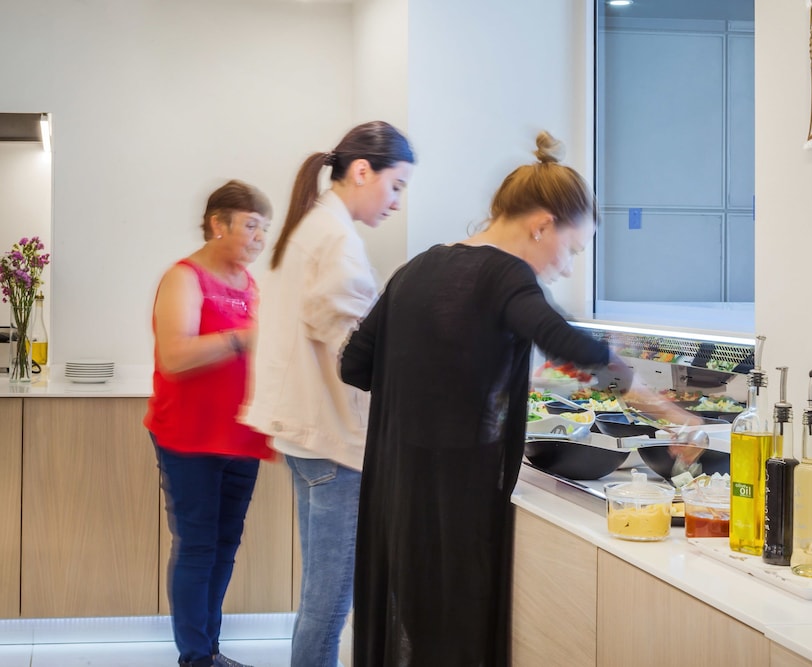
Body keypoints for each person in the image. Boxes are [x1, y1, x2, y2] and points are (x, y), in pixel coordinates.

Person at [340, 132, 657, 666]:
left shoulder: (418, 267)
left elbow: (354, 364)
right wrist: (659, 404)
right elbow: (565, 341)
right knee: (457, 642)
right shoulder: (506, 275)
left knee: (420, 636)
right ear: (542, 225)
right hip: (459, 498)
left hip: (399, 493)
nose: (569, 267)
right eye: (573, 250)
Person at [240, 121, 415, 667]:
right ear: (362, 171)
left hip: (309, 437)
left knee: (323, 591)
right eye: (396, 186)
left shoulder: (316, 226)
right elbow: (355, 348)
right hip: (332, 442)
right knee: (330, 597)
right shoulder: (334, 238)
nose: (397, 202)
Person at [144, 180, 273, 667]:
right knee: (198, 546)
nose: (260, 238)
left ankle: (209, 650)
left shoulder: (250, 284)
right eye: (252, 226)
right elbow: (175, 356)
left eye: (264, 229)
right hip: (189, 436)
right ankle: (196, 658)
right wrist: (244, 337)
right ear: (218, 223)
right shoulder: (185, 277)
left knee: (224, 545)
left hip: (240, 435)